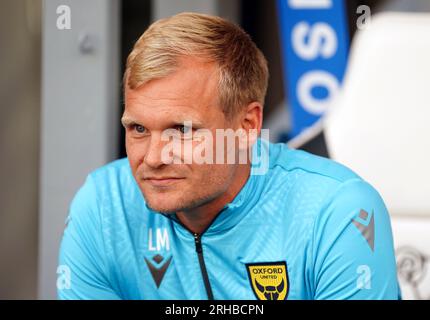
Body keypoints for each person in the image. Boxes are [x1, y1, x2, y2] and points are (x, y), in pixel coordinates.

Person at [57, 12, 400, 300]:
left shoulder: (336, 210)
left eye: (183, 130)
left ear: (247, 125)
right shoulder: (103, 205)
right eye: (139, 130)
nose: (154, 157)